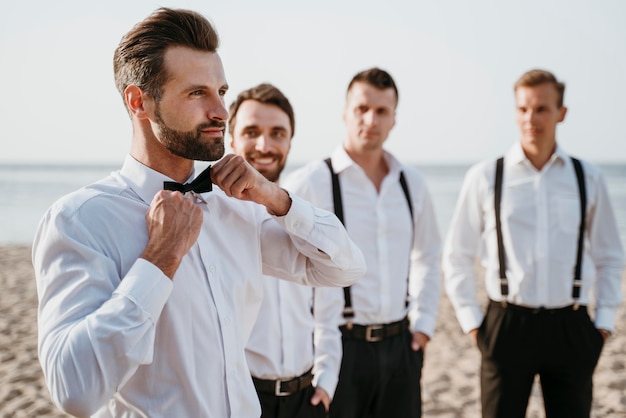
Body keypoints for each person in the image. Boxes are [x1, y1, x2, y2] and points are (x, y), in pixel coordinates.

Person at [32, 8, 366, 418]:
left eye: (221, 91)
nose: (221, 112)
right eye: (197, 93)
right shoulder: (79, 221)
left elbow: (345, 269)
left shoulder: (238, 207)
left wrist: (278, 199)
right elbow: (74, 390)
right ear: (139, 102)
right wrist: (160, 259)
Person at [442, 68, 625, 418]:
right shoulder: (485, 177)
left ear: (561, 113)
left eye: (541, 108)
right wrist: (473, 324)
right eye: (523, 109)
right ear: (515, 112)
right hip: (506, 326)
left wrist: (602, 324)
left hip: (570, 327)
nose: (531, 118)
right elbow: (457, 255)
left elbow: (610, 256)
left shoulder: (588, 178)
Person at [283, 67, 441, 418]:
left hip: (402, 345)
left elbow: (428, 254)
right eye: (362, 109)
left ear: (394, 119)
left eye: (382, 111)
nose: (371, 119)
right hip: (341, 346)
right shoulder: (310, 182)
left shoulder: (411, 183)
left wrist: (425, 324)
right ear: (345, 113)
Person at [229, 83, 338, 417]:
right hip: (242, 398)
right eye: (252, 132)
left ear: (290, 142)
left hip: (306, 398)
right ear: (230, 139)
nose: (265, 145)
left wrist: (327, 379)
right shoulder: (210, 218)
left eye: (277, 133)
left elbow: (327, 306)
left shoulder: (304, 215)